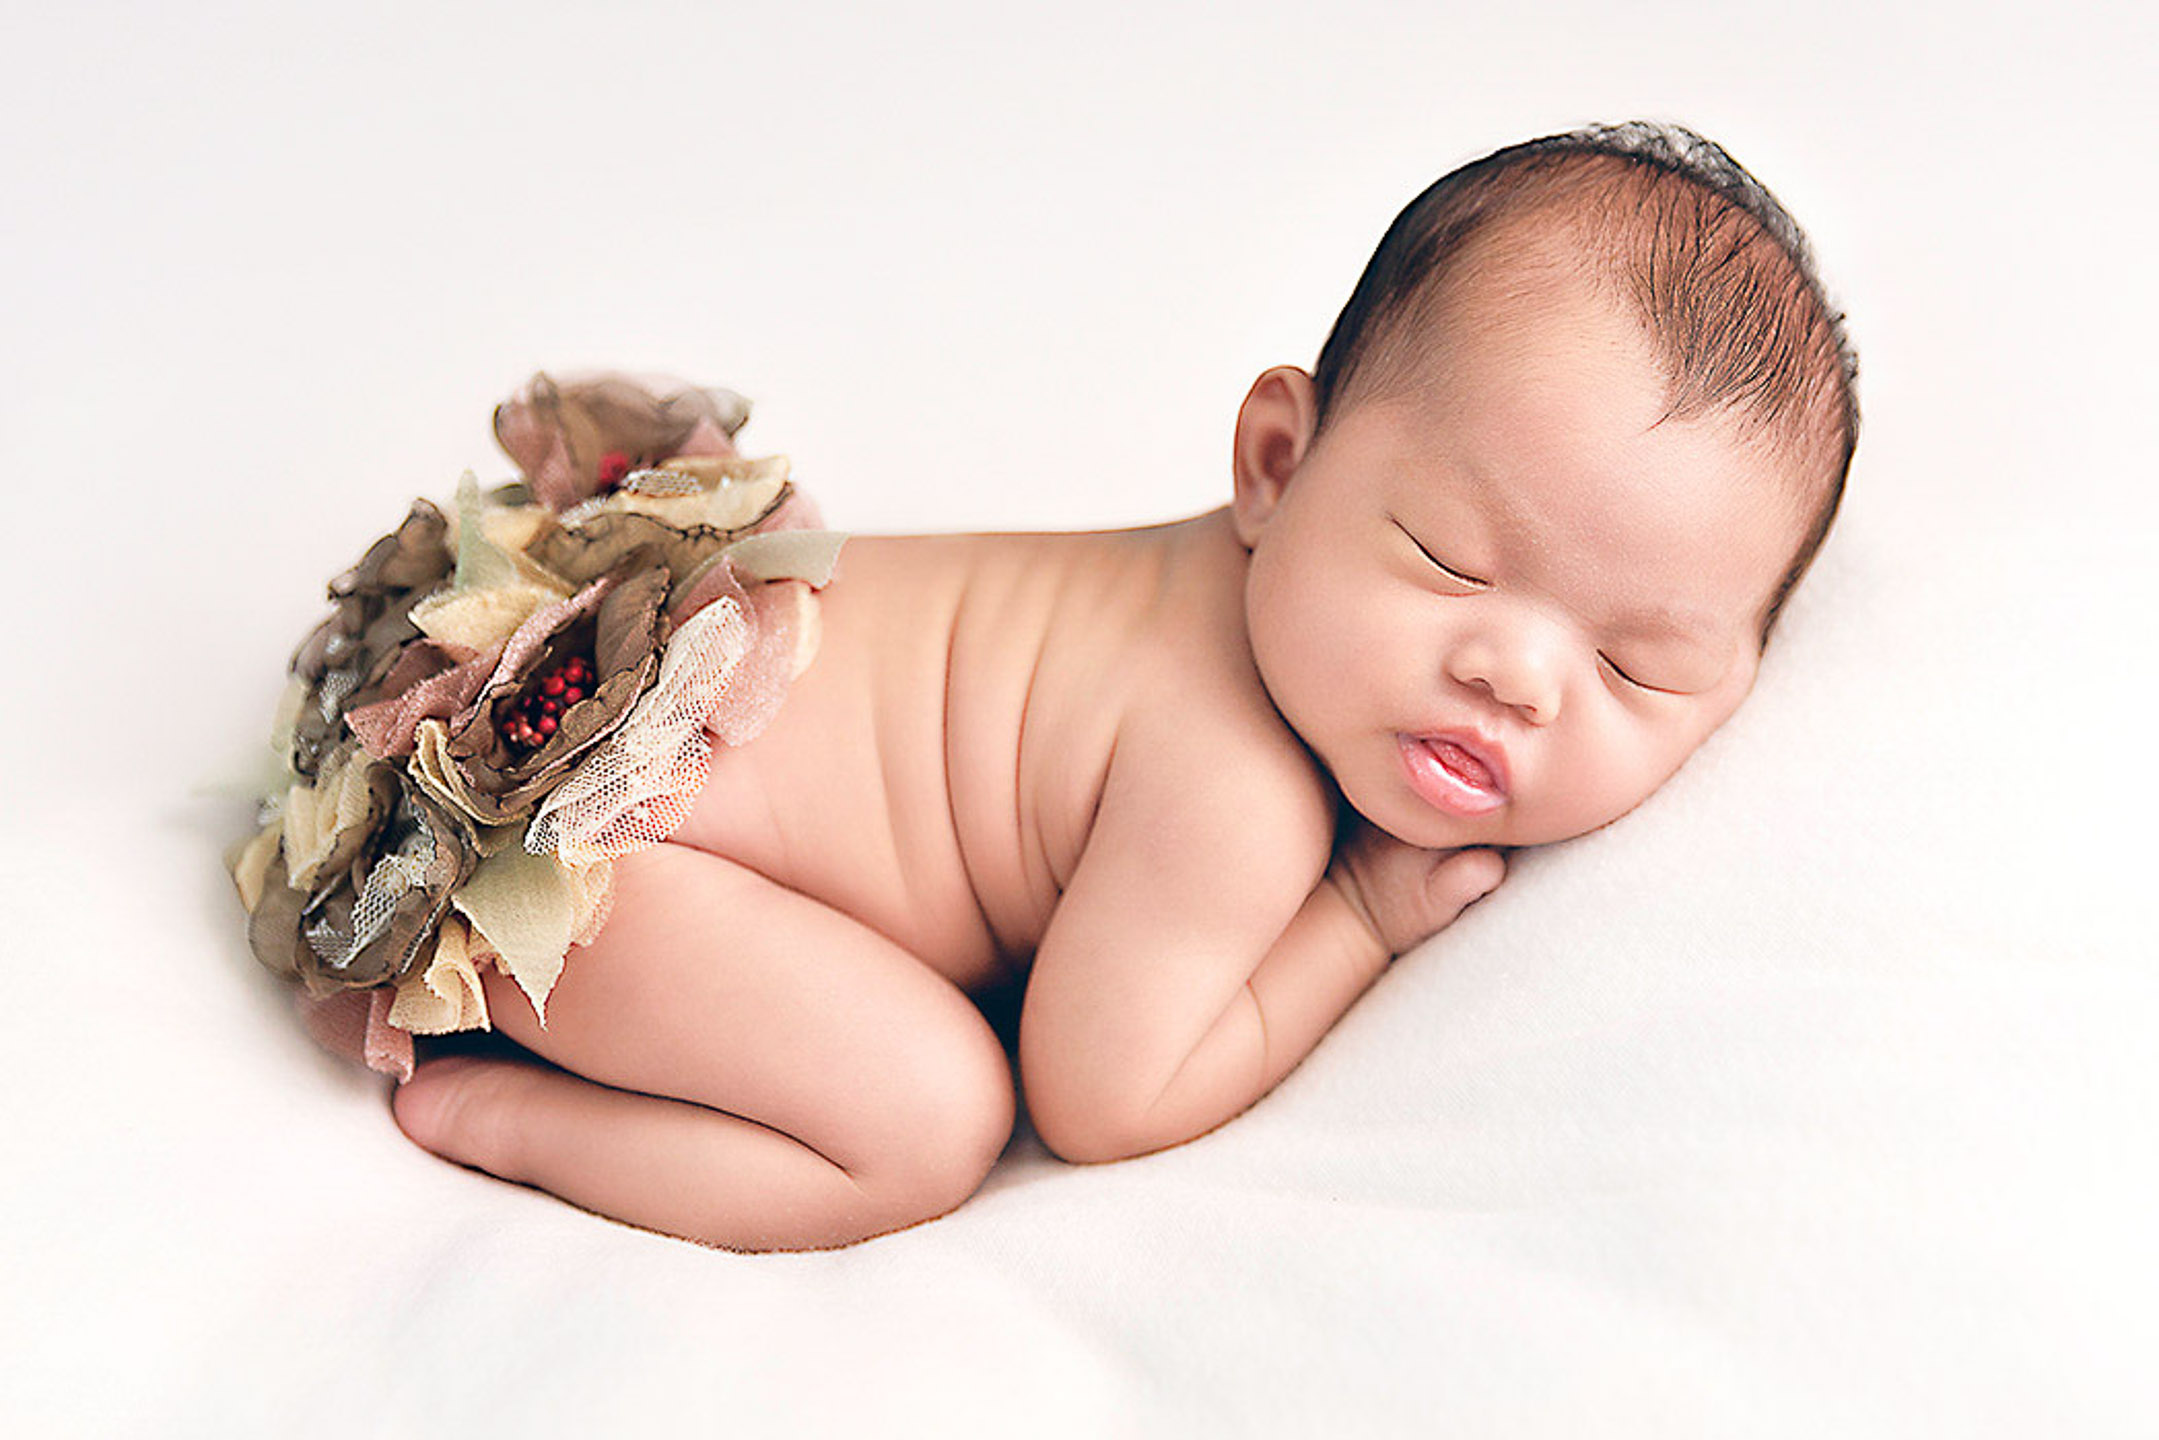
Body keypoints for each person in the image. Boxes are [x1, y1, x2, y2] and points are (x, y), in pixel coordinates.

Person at [255, 121, 1858, 1251]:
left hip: (621, 692)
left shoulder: (1217, 585)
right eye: (1446, 557)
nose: (1514, 675)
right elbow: (1101, 1094)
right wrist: (1357, 921)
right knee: (928, 1121)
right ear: (1276, 465)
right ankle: (512, 1121)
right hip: (593, 851)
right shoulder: (1234, 784)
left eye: (1640, 664)